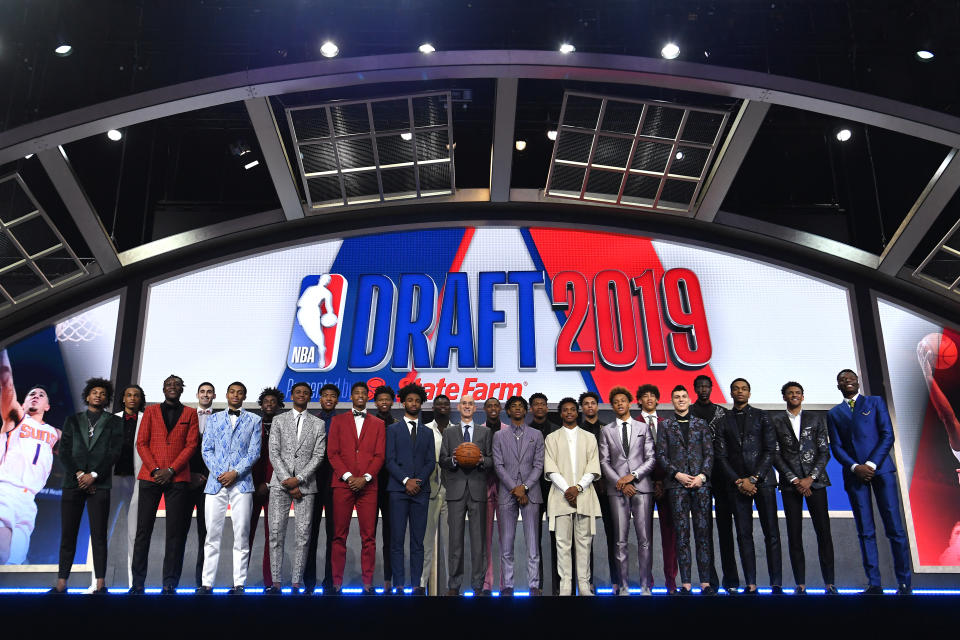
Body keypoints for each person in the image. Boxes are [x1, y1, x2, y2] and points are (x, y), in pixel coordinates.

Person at [827, 369, 912, 595]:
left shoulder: (875, 402)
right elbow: (836, 447)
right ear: (838, 386)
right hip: (855, 475)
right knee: (865, 530)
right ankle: (874, 583)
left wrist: (872, 464)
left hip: (881, 470)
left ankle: (904, 583)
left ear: (858, 381)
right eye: (842, 380)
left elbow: (887, 435)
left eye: (851, 378)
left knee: (894, 528)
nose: (847, 382)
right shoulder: (834, 413)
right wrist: (856, 467)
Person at [50, 378, 123, 593]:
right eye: (94, 392)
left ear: (107, 398)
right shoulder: (73, 420)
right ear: (87, 396)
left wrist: (94, 475)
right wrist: (80, 474)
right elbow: (64, 451)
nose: (98, 395)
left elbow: (114, 452)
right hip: (73, 483)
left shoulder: (114, 422)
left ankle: (101, 583)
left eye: (102, 393)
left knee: (99, 535)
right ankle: (61, 583)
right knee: (68, 534)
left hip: (99, 485)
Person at [130, 374, 199, 594]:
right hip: (150, 476)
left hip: (177, 478)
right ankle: (138, 583)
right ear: (163, 389)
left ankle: (170, 583)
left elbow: (191, 445)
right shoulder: (150, 411)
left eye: (177, 385)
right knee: (143, 531)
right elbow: (141, 443)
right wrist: (155, 470)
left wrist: (171, 470)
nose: (173, 387)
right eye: (169, 384)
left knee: (175, 533)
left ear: (182, 389)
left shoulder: (190, 413)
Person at [715, 378, 782, 595]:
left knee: (771, 533)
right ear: (731, 393)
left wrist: (754, 478)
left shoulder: (763, 416)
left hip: (763, 482)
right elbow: (721, 456)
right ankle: (751, 583)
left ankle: (776, 583)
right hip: (736, 485)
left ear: (749, 393)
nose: (740, 392)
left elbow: (770, 450)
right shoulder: (723, 420)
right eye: (736, 389)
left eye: (744, 389)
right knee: (744, 535)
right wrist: (739, 480)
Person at [770, 381, 836, 595]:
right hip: (791, 486)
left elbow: (824, 451)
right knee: (794, 534)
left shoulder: (816, 419)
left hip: (815, 482)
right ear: (784, 397)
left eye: (798, 393)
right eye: (790, 393)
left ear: (803, 396)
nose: (794, 396)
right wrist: (794, 480)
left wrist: (810, 478)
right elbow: (775, 454)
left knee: (823, 533)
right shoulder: (776, 421)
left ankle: (830, 584)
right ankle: (800, 584)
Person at [197, 381, 262, 594]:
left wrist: (235, 473)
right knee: (212, 535)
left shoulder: (254, 420)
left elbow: (254, 452)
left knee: (242, 534)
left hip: (242, 483)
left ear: (244, 396)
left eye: (240, 392)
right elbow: (206, 449)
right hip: (216, 483)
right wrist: (219, 473)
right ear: (226, 395)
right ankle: (207, 583)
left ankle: (239, 583)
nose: (235, 395)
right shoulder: (214, 419)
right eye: (232, 392)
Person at [0, 350, 60, 565]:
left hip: (29, 499)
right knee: (2, 554)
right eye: (31, 394)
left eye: (41, 395)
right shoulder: (16, 417)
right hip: (6, 489)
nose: (35, 395)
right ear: (23, 403)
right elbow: (6, 380)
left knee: (16, 561)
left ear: (47, 406)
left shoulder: (55, 433)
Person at [266, 381, 326, 594]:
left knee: (303, 535)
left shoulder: (318, 424)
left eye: (305, 393)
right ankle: (276, 583)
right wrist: (287, 480)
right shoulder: (278, 420)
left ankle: (296, 583)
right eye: (298, 392)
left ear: (310, 397)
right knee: (276, 533)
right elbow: (274, 452)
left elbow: (318, 455)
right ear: (292, 395)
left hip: (306, 486)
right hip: (280, 485)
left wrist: (298, 478)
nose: (301, 395)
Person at [656, 385, 715, 595]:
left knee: (703, 534)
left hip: (701, 486)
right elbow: (661, 455)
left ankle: (706, 583)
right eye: (676, 397)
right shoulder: (665, 426)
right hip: (676, 486)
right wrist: (677, 475)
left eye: (683, 396)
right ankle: (687, 583)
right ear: (672, 401)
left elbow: (709, 453)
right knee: (681, 536)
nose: (681, 400)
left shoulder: (701, 424)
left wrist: (701, 476)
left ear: (690, 400)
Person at [327, 380, 385, 594]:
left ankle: (368, 584)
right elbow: (332, 452)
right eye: (356, 393)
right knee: (338, 535)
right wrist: (350, 476)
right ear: (351, 397)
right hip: (343, 484)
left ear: (368, 397)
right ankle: (336, 583)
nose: (360, 395)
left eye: (364, 393)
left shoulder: (378, 423)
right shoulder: (338, 421)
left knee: (368, 537)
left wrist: (366, 478)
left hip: (369, 486)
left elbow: (380, 455)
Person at [599, 386, 656, 595]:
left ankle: (644, 586)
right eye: (616, 402)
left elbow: (651, 459)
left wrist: (632, 477)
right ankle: (623, 586)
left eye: (623, 400)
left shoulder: (643, 428)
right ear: (612, 406)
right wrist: (621, 482)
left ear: (630, 403)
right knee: (620, 540)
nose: (620, 404)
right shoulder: (606, 431)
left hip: (641, 488)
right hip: (618, 490)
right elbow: (604, 462)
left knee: (645, 540)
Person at [545, 397, 601, 596]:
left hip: (584, 495)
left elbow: (593, 466)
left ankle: (584, 585)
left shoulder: (589, 437)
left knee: (585, 542)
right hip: (560, 497)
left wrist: (578, 488)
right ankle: (566, 586)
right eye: (565, 410)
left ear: (577, 413)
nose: (569, 413)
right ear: (561, 414)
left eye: (572, 410)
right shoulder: (551, 438)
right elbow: (550, 469)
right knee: (562, 543)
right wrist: (568, 489)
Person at [384, 383, 435, 594]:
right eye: (410, 400)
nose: (413, 403)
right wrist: (406, 480)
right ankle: (399, 584)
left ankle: (416, 584)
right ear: (403, 402)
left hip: (420, 492)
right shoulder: (392, 429)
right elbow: (389, 460)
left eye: (417, 400)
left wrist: (418, 482)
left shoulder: (427, 432)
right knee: (396, 540)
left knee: (418, 541)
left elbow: (430, 461)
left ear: (421, 403)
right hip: (398, 490)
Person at [689, 374, 738, 594]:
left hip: (722, 476)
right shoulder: (688, 413)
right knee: (703, 530)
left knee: (726, 529)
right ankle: (710, 581)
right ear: (695, 389)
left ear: (711, 388)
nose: (703, 389)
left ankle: (731, 581)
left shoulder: (723, 414)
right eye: (699, 386)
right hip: (699, 478)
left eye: (706, 386)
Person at [440, 393, 492, 596]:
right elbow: (442, 460)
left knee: (478, 542)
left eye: (471, 403)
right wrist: (453, 460)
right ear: (459, 407)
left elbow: (491, 461)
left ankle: (478, 586)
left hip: (478, 490)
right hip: (455, 491)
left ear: (475, 408)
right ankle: (454, 585)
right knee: (455, 541)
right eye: (464, 403)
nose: (467, 406)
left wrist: (480, 460)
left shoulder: (485, 432)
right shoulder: (449, 433)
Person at [493, 395, 545, 596]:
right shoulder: (499, 436)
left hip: (531, 494)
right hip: (507, 494)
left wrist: (524, 487)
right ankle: (507, 586)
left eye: (520, 406)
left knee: (533, 544)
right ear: (507, 411)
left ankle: (534, 585)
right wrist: (515, 488)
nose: (517, 409)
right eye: (513, 406)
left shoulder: (536, 435)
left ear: (526, 411)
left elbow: (539, 464)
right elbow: (498, 465)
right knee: (506, 544)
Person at [99, 384, 144, 588]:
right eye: (129, 395)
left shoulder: (146, 419)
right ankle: (97, 582)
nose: (132, 398)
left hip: (136, 479)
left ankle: (133, 584)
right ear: (123, 399)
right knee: (103, 531)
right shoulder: (110, 419)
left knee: (134, 533)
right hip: (112, 478)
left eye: (136, 395)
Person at [637, 384, 678, 593]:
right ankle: (647, 582)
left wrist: (662, 480)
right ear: (639, 401)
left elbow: (673, 454)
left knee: (670, 535)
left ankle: (671, 582)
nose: (650, 398)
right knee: (645, 537)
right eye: (645, 396)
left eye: (653, 395)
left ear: (658, 400)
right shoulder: (633, 424)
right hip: (642, 485)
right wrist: (652, 480)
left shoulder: (668, 423)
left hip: (668, 485)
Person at [578, 391, 618, 592]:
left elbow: (615, 458)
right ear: (582, 408)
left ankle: (616, 582)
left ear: (597, 406)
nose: (590, 406)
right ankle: (588, 582)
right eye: (586, 404)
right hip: (586, 489)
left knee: (614, 535)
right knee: (585, 538)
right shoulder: (576, 430)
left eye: (593, 403)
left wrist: (605, 479)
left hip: (608, 488)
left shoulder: (608, 428)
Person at [302, 382, 340, 594]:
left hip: (334, 479)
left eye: (332, 396)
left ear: (336, 400)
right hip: (311, 477)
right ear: (320, 398)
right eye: (325, 395)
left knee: (333, 533)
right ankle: (309, 583)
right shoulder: (311, 420)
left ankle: (329, 583)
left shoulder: (342, 421)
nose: (328, 398)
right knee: (310, 531)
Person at [249, 387, 282, 588]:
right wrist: (255, 483)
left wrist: (270, 483)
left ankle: (271, 582)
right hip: (250, 487)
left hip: (275, 487)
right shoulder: (252, 424)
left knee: (273, 536)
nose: (269, 404)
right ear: (261, 405)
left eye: (273, 401)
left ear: (278, 405)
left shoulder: (285, 425)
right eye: (266, 401)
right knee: (246, 534)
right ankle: (239, 581)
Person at [528, 392, 560, 593]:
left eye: (543, 404)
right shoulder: (525, 430)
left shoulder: (557, 431)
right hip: (532, 489)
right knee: (534, 539)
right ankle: (536, 586)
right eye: (536, 404)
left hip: (555, 489)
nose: (540, 407)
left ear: (547, 408)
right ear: (531, 408)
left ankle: (559, 586)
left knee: (558, 538)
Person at [422, 394, 451, 595]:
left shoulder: (456, 431)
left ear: (450, 407)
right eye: (439, 403)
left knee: (451, 543)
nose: (442, 406)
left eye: (446, 404)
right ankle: (421, 586)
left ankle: (452, 588)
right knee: (425, 543)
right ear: (433, 407)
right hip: (429, 490)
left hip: (451, 492)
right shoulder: (425, 430)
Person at [188, 382, 214, 587]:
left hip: (211, 484)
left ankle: (202, 583)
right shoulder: (185, 416)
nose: (205, 395)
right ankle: (170, 584)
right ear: (197, 394)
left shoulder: (221, 418)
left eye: (209, 392)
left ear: (214, 395)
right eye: (202, 391)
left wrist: (208, 476)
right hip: (185, 482)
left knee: (206, 535)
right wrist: (190, 475)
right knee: (177, 533)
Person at [373, 384, 397, 593]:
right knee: (368, 536)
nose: (384, 402)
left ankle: (389, 580)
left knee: (391, 536)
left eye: (387, 399)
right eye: (380, 399)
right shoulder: (369, 424)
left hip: (392, 487)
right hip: (370, 485)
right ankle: (368, 581)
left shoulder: (397, 425)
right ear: (375, 403)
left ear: (392, 402)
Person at [480, 397, 502, 595]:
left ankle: (506, 584)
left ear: (500, 408)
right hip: (484, 487)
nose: (493, 409)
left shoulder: (508, 429)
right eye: (490, 406)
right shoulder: (478, 430)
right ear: (485, 409)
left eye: (496, 405)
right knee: (485, 539)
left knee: (506, 539)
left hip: (505, 488)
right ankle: (487, 584)